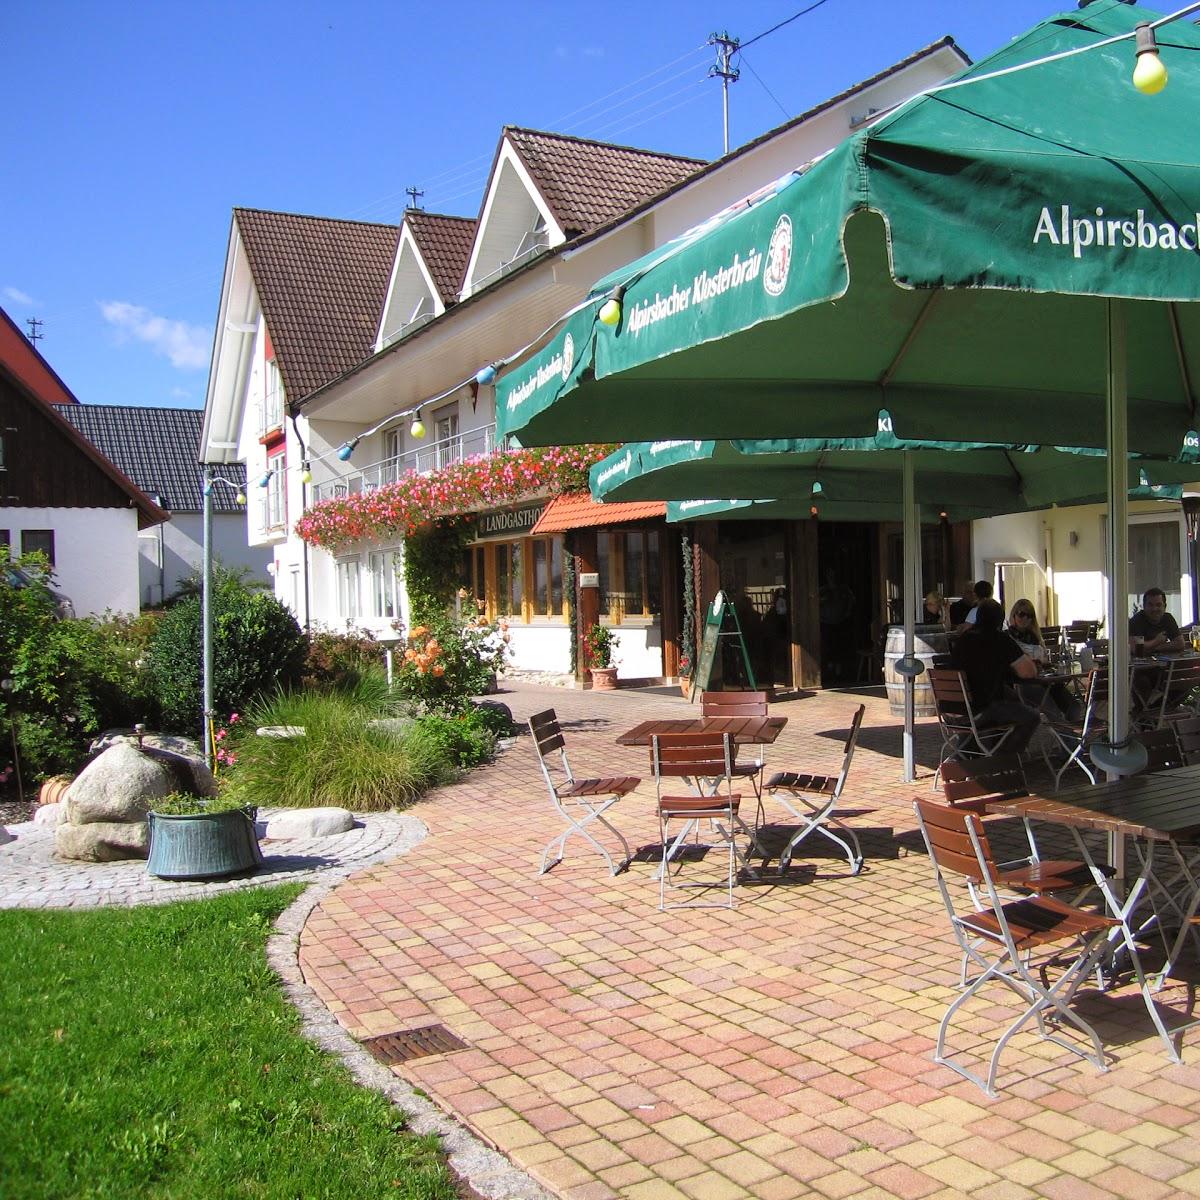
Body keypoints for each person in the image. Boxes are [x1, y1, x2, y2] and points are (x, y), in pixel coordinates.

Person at [949, 597, 1043, 753]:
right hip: (980, 709)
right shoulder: (1000, 639)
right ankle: (1006, 758)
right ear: (1000, 620)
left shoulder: (963, 639)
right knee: (1032, 716)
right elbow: (1029, 672)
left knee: (1010, 698)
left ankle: (972, 753)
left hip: (953, 709)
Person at [1007, 598, 1081, 720]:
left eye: (1029, 615)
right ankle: (1071, 739)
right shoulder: (1008, 638)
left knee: (1074, 707)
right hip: (1024, 684)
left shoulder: (1035, 637)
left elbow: (1045, 661)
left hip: (1046, 682)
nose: (1025, 618)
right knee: (1054, 714)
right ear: (1013, 615)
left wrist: (1047, 665)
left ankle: (1069, 735)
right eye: (1021, 614)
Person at [1129, 587, 1186, 653]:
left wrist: (1155, 648)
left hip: (1161, 660)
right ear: (1144, 606)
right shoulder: (1137, 620)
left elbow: (1180, 644)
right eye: (1150, 605)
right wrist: (1156, 641)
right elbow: (1136, 648)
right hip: (1140, 662)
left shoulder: (1167, 618)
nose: (1154, 609)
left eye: (1158, 605)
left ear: (1164, 606)